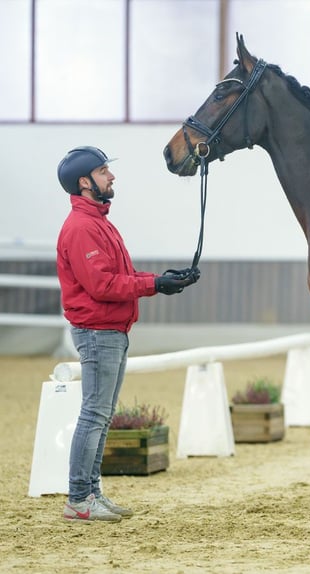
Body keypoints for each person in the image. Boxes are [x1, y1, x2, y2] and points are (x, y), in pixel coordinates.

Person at [56, 146, 200, 522]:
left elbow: (117, 276)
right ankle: (78, 496)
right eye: (104, 171)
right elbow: (102, 285)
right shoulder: (83, 227)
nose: (112, 176)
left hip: (111, 330)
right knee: (94, 415)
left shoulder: (98, 222)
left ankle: (90, 491)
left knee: (101, 416)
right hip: (99, 331)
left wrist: (164, 281)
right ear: (85, 182)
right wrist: (154, 285)